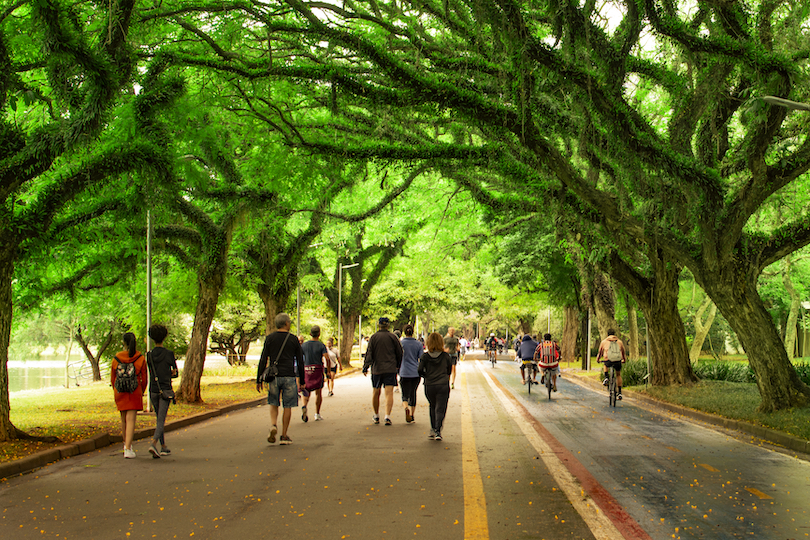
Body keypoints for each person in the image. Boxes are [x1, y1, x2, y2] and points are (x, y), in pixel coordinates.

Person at [256, 313, 305, 445]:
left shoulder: (270, 338)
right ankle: (284, 435)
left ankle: (273, 425)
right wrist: (302, 380)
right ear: (286, 324)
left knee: (273, 402)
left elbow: (263, 358)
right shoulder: (293, 339)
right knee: (287, 406)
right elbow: (300, 361)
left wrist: (259, 378)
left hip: (274, 377)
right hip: (289, 376)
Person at [111, 332, 147, 459]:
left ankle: (126, 445)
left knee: (123, 418)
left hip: (120, 391)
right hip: (134, 391)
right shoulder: (140, 358)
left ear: (123, 343)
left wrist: (116, 389)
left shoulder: (117, 358)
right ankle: (128, 448)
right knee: (131, 419)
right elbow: (144, 377)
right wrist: (141, 391)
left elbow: (113, 377)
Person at [146, 324, 178, 459]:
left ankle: (163, 447)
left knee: (159, 418)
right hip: (165, 390)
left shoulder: (149, 355)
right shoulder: (169, 354)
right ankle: (153, 443)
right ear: (164, 337)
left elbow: (153, 372)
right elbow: (175, 373)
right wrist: (169, 373)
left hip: (153, 389)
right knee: (161, 419)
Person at [363, 317, 403, 425]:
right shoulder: (393, 337)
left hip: (377, 369)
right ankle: (387, 416)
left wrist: (366, 366)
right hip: (390, 368)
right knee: (389, 392)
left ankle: (376, 415)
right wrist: (398, 366)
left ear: (379, 325)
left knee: (376, 392)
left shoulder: (374, 337)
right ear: (388, 325)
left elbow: (369, 353)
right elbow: (400, 352)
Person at [418, 332, 453, 441]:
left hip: (430, 385)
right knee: (441, 407)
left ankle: (433, 428)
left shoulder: (425, 356)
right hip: (442, 384)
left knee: (432, 405)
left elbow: (419, 370)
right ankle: (438, 430)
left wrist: (426, 376)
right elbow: (449, 370)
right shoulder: (446, 356)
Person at [301, 325, 330, 421]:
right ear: (319, 334)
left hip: (307, 369)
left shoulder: (304, 345)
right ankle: (317, 414)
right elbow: (327, 358)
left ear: (310, 334)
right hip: (317, 369)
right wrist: (328, 371)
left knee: (306, 391)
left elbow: (299, 358)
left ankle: (304, 405)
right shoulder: (321, 345)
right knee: (318, 392)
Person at [399, 324, 423, 423]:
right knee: (413, 393)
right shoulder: (418, 344)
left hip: (404, 371)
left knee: (405, 393)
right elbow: (421, 357)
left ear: (404, 332)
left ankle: (406, 408)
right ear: (412, 332)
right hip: (415, 372)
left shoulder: (400, 343)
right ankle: (412, 415)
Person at [596, 329, 627, 400]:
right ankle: (619, 392)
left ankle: (606, 377)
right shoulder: (619, 342)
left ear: (607, 335)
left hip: (608, 360)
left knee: (605, 364)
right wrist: (624, 360)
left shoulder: (604, 342)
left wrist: (598, 359)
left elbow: (600, 352)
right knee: (618, 375)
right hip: (617, 360)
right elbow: (623, 352)